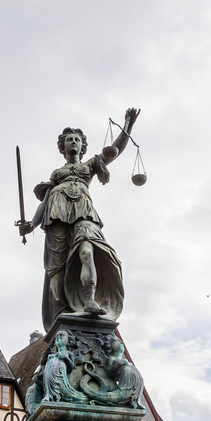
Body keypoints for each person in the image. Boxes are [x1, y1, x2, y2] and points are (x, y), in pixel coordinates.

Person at [20, 108, 139, 330]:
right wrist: (32, 225)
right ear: (63, 146)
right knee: (56, 268)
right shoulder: (56, 174)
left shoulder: (89, 165)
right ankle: (60, 316)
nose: (73, 142)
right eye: (69, 140)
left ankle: (90, 299)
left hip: (84, 212)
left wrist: (128, 125)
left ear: (82, 146)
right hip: (56, 214)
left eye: (77, 139)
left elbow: (114, 151)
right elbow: (45, 202)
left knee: (87, 250)